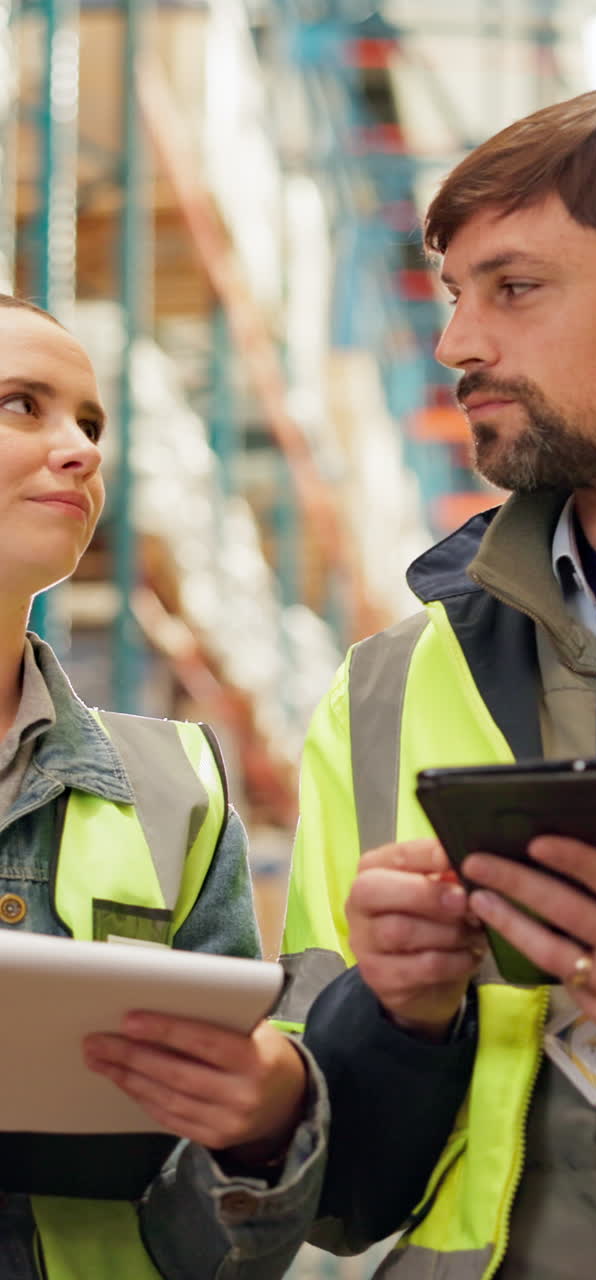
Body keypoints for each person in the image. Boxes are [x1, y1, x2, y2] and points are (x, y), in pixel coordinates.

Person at [275, 86, 596, 1280]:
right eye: (454, 294)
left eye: (515, 288)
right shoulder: (381, 694)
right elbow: (329, 1192)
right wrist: (398, 1014)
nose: (458, 344)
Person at [0, 293, 327, 1280]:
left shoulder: (172, 782)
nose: (82, 450)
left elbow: (215, 1222)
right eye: (23, 404)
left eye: (91, 422)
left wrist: (265, 1133)